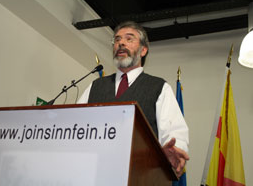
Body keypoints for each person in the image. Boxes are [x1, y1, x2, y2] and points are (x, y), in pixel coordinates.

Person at [77, 21, 189, 177]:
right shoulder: (95, 86)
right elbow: (75, 127)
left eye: (129, 39)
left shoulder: (159, 88)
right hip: (91, 174)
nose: (121, 42)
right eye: (117, 40)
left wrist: (172, 154)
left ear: (143, 50)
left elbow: (174, 135)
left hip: (140, 176)